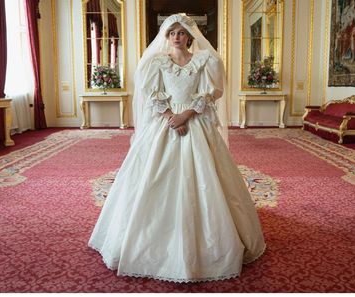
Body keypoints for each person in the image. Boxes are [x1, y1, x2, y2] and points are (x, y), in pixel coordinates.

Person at [88, 13, 266, 283]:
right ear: (166, 36)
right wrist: (172, 117)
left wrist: (187, 115)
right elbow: (152, 94)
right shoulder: (157, 62)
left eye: (181, 33)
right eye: (172, 33)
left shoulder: (206, 60)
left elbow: (211, 94)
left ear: (190, 35)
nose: (177, 37)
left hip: (195, 123)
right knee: (152, 178)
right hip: (166, 125)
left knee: (208, 180)